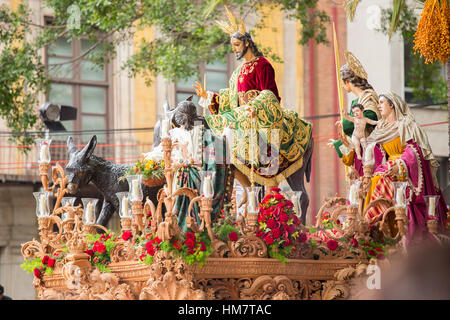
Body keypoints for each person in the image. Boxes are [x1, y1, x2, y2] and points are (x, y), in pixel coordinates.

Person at [193, 6, 312, 187]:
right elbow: (230, 97)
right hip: (241, 115)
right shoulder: (238, 72)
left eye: (237, 45)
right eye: (232, 46)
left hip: (258, 116)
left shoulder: (263, 65)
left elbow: (270, 94)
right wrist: (209, 96)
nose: (234, 49)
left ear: (247, 43)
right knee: (217, 126)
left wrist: (255, 107)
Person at [363, 92, 448, 247]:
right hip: (388, 166)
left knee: (384, 182)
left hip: (404, 169)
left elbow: (414, 150)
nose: (378, 106)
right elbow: (373, 152)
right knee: (373, 181)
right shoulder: (381, 128)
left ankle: (395, 227)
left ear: (392, 104)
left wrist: (400, 165)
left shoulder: (406, 125)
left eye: (382, 102)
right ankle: (372, 226)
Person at [329, 51, 381, 176]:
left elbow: (371, 116)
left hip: (370, 152)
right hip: (361, 152)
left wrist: (345, 122)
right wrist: (338, 143)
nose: (341, 86)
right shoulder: (356, 101)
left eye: (342, 82)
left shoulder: (368, 97)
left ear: (347, 81)